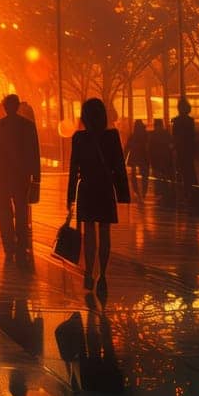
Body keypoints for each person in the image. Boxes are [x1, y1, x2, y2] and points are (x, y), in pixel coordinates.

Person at [66, 97, 129, 299]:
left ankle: (88, 272)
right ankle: (102, 274)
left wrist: (70, 196)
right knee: (105, 232)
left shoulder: (78, 138)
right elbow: (119, 166)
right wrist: (122, 193)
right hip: (104, 188)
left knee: (89, 232)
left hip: (86, 188)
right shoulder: (112, 136)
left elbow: (73, 169)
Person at [0, 94, 42, 263]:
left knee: (5, 211)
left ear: (5, 107)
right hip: (22, 175)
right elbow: (35, 152)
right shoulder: (28, 126)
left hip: (3, 176)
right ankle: (22, 242)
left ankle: (9, 243)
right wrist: (37, 177)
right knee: (21, 210)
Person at [173, 99, 198, 187]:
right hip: (189, 149)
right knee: (190, 170)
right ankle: (192, 189)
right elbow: (192, 136)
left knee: (180, 170)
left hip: (180, 149)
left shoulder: (176, 121)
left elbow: (175, 136)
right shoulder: (190, 121)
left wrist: (174, 148)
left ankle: (182, 190)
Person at [127, 121, 150, 188]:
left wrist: (124, 156)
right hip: (143, 156)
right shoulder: (145, 135)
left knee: (134, 174)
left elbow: (128, 146)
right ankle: (143, 189)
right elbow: (148, 146)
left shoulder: (133, 135)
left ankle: (136, 189)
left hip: (134, 156)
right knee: (144, 174)